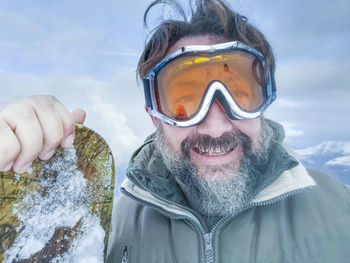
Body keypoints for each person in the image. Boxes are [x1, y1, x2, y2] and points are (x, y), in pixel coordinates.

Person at [0, 0, 349, 262]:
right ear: (155, 117)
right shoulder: (114, 228)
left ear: (265, 101)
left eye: (240, 92)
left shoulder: (339, 210)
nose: (215, 125)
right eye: (184, 101)